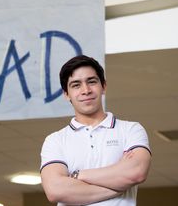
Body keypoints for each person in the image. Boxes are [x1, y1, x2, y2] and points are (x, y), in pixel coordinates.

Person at [40, 55, 151, 205]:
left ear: (103, 86)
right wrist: (118, 186)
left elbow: (135, 174)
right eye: (76, 85)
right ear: (66, 94)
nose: (86, 90)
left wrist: (77, 175)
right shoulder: (55, 140)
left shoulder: (131, 130)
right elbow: (55, 190)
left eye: (91, 82)